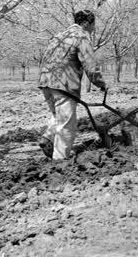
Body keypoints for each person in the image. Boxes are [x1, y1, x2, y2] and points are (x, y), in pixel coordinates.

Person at [38, 10, 107, 160]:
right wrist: (101, 83)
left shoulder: (59, 36)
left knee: (58, 115)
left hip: (45, 81)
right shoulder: (81, 36)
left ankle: (48, 138)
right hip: (64, 82)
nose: (94, 28)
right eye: (93, 24)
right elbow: (89, 64)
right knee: (67, 125)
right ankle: (60, 161)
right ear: (87, 23)